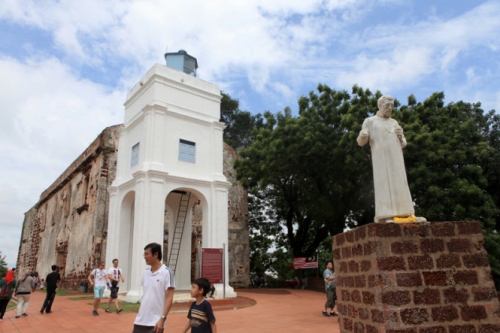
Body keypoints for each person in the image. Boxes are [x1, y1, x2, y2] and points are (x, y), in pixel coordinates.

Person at [357, 95, 416, 223]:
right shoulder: (370, 121)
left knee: (400, 181)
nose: (389, 108)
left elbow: (403, 143)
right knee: (384, 184)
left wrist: (401, 137)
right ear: (380, 105)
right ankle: (386, 215)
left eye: (391, 106)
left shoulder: (394, 122)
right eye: (387, 106)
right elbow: (361, 142)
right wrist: (363, 135)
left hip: (396, 157)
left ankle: (406, 213)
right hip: (381, 159)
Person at [133, 242, 175, 333]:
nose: (144, 257)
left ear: (156, 254)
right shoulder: (146, 272)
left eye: (147, 254)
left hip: (155, 322)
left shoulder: (167, 272)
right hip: (140, 320)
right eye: (144, 254)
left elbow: (169, 298)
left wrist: (162, 319)